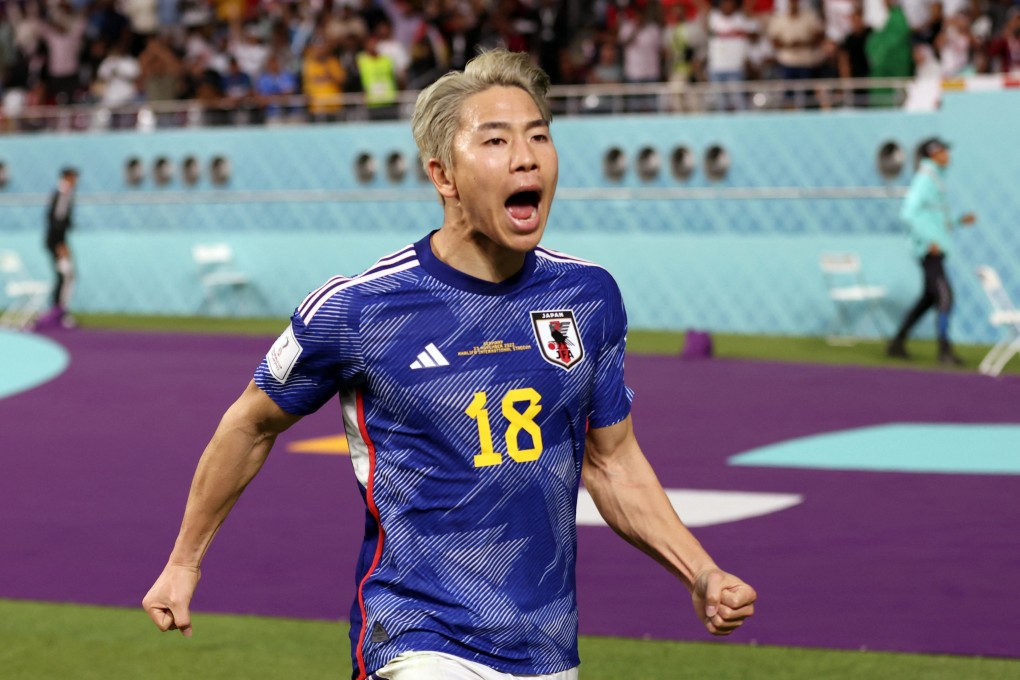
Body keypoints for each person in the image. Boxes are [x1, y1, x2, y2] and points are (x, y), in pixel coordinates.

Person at [141, 49, 756, 680]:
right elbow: (250, 423)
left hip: (546, 651)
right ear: (444, 175)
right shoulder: (358, 309)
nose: (526, 157)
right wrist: (185, 562)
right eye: (496, 140)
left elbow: (614, 462)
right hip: (414, 638)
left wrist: (699, 570)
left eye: (539, 136)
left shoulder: (588, 298)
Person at [887, 137, 976, 365]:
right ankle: (945, 351)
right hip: (930, 251)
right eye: (944, 151)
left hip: (936, 248)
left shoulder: (936, 179)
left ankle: (897, 343)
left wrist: (957, 221)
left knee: (928, 299)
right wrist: (929, 240)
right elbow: (907, 213)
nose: (948, 156)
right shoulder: (925, 179)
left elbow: (934, 218)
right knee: (945, 296)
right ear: (933, 153)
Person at [41, 166, 80, 329]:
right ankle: (59, 312)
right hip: (57, 242)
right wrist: (60, 244)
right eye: (73, 177)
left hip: (59, 241)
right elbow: (55, 221)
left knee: (67, 276)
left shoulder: (66, 194)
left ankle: (61, 311)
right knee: (65, 276)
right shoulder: (62, 193)